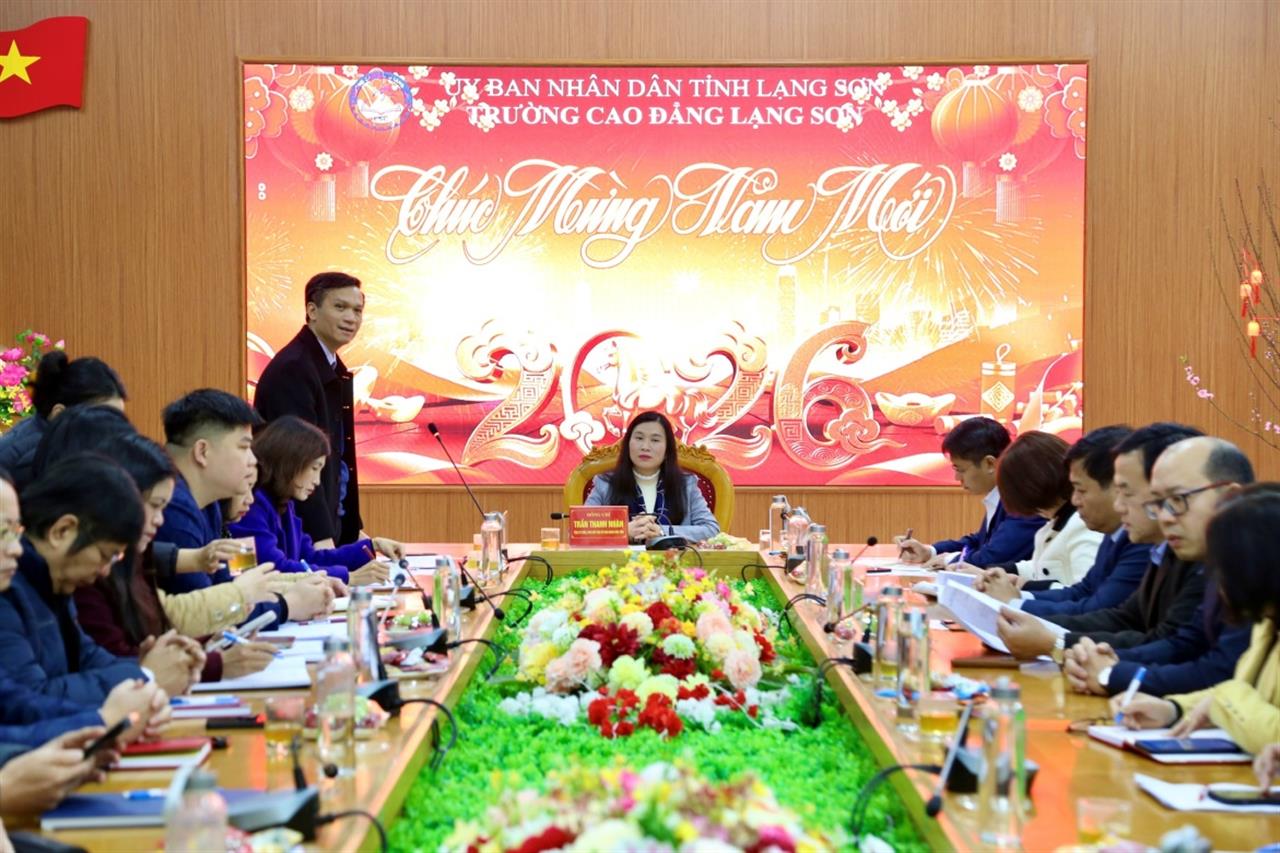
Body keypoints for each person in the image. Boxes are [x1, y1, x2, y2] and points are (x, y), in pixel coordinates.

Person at [73, 434, 279, 684]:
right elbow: (122, 658)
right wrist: (213, 659)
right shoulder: (94, 567)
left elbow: (155, 628)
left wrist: (202, 645)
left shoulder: (132, 554)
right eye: (155, 505)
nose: (250, 498)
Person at [1064, 436, 1254, 697]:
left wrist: (1110, 673)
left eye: (1177, 499)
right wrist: (1104, 661)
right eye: (1158, 503)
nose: (1164, 517)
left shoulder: (1260, 565)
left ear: (1230, 496)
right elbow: (1186, 643)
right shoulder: (1217, 561)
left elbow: (1220, 671)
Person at [0, 468, 167, 752]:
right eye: (3, 532)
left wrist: (134, 700)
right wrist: (111, 717)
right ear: (62, 531)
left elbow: (18, 702)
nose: (15, 549)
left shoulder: (54, 585)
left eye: (16, 532)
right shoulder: (12, 592)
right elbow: (25, 704)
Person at [1113, 488, 1280, 754]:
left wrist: (1223, 700)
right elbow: (1241, 694)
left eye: (1223, 565)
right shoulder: (1266, 622)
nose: (1216, 578)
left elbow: (1266, 727)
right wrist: (1173, 709)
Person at [155, 389, 335, 624]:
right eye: (243, 447)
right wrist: (288, 605)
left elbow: (231, 583)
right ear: (202, 452)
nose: (252, 459)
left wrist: (300, 584)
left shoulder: (208, 506)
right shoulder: (174, 507)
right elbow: (208, 614)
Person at [1051, 424, 1207, 654]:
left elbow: (1179, 648)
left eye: (1127, 493)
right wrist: (1044, 632)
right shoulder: (1161, 548)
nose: (1118, 506)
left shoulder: (1210, 557)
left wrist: (1054, 643)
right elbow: (1127, 617)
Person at [253, 271, 365, 547]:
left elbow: (338, 461)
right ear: (312, 311)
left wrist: (354, 533)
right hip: (298, 532)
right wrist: (321, 535)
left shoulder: (331, 367)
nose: (351, 318)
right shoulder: (294, 368)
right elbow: (297, 460)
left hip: (324, 529)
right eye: (340, 307)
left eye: (357, 310)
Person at [230, 416, 402, 585]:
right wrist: (349, 577)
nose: (317, 481)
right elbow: (272, 570)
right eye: (314, 468)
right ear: (290, 462)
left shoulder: (285, 504)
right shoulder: (250, 505)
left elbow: (310, 558)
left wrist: (371, 545)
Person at [895, 417, 1045, 568]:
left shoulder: (1025, 500)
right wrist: (930, 551)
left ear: (990, 463)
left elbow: (995, 556)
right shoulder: (1003, 494)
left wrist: (950, 560)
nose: (957, 477)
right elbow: (979, 541)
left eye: (961, 469)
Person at [984, 430, 1103, 586]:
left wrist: (1024, 587)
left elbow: (1085, 591)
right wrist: (995, 571)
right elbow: (1038, 566)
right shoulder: (1056, 521)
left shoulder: (1083, 523)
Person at [584, 411, 719, 544]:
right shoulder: (605, 484)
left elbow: (711, 529)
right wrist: (622, 531)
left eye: (655, 440)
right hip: (619, 559)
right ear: (628, 444)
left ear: (667, 450)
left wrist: (661, 531)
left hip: (673, 558)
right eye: (639, 438)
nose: (645, 447)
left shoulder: (686, 485)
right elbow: (583, 528)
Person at [0, 351, 127, 489]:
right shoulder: (37, 459)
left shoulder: (39, 429)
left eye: (118, 420)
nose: (114, 431)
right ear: (58, 414)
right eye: (103, 420)